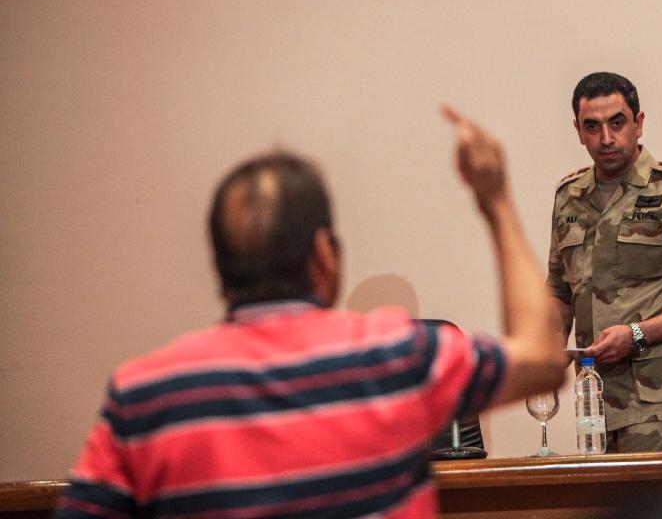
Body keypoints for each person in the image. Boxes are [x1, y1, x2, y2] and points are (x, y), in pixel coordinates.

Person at [55, 106, 568, 518]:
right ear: (325, 256)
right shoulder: (398, 358)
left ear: (219, 267)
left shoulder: (141, 395)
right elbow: (544, 358)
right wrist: (495, 199)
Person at [547, 72, 662, 453]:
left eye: (617, 123)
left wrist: (635, 335)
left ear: (639, 123)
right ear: (578, 131)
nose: (606, 138)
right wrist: (548, 352)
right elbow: (559, 291)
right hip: (593, 398)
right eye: (592, 127)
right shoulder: (569, 197)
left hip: (658, 397)